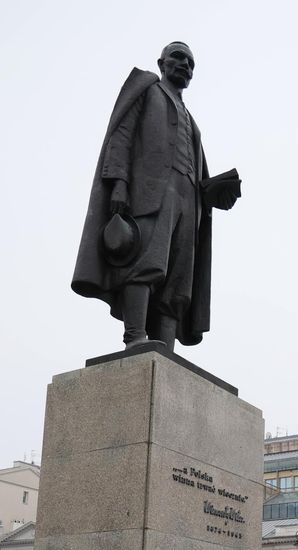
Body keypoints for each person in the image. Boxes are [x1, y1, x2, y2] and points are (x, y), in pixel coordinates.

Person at [72, 42, 213, 350]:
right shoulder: (147, 89)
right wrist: (119, 183)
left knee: (178, 280)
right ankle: (134, 336)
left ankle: (165, 348)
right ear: (161, 62)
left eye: (191, 63)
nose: (185, 65)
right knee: (146, 263)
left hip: (189, 201)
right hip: (151, 194)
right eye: (178, 57)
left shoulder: (192, 121)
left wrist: (214, 190)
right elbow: (121, 138)